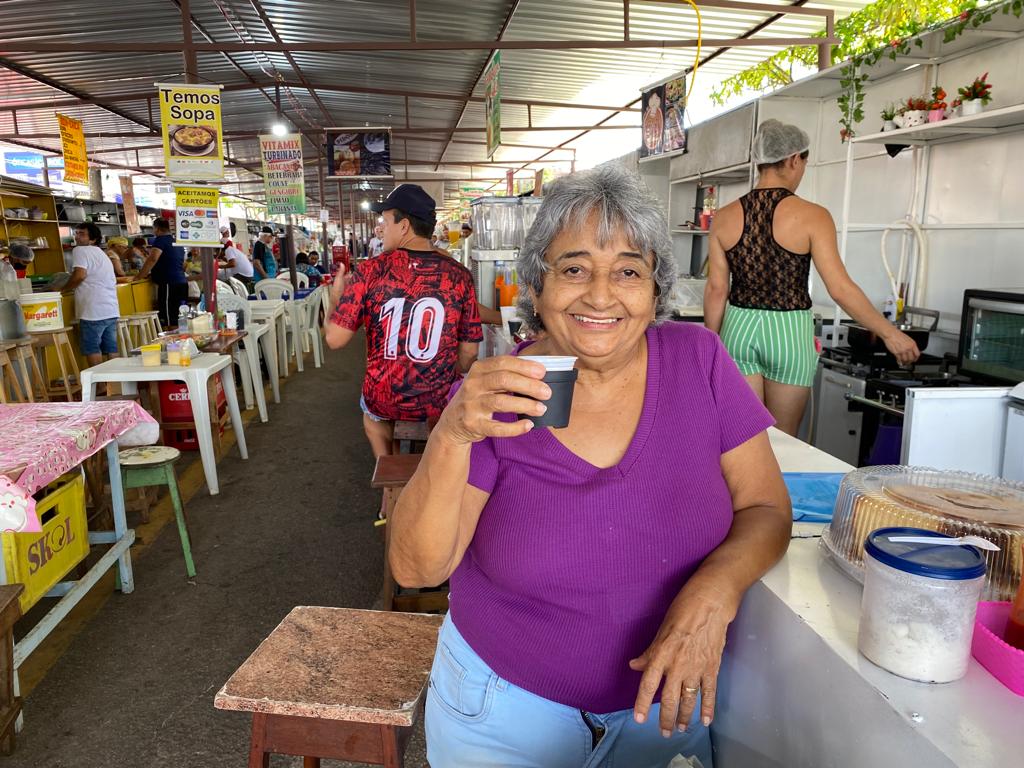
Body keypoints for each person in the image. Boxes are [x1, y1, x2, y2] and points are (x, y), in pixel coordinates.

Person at [388, 166, 791, 768]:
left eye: (629, 271)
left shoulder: (697, 362)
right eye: (574, 269)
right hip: (503, 713)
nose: (601, 296)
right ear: (537, 287)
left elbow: (765, 509)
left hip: (663, 711)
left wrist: (713, 591)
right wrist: (452, 433)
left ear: (656, 289)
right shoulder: (498, 396)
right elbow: (417, 569)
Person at [704, 119, 921, 436]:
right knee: (784, 439)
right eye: (803, 163)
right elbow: (840, 288)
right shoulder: (814, 216)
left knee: (744, 437)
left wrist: (713, 347)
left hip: (738, 328)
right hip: (789, 332)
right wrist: (890, 333)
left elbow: (716, 288)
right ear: (794, 159)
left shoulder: (723, 217)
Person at [325, 183, 483, 459]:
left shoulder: (370, 270)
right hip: (438, 401)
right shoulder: (459, 275)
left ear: (405, 225)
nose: (381, 228)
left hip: (384, 398)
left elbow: (335, 340)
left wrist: (335, 298)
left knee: (373, 417)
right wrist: (439, 372)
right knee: (444, 409)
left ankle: (387, 472)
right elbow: (469, 353)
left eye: (385, 221)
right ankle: (430, 465)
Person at [65, 223, 121, 369]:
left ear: (93, 239)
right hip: (110, 308)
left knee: (92, 347)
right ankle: (115, 385)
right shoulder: (101, 252)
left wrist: (64, 289)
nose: (77, 236)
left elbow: (80, 275)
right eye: (76, 233)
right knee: (111, 348)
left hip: (93, 311)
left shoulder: (80, 250)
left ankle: (101, 386)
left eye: (82, 234)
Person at [138, 217, 188, 328]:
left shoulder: (160, 240)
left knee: (169, 318)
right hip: (181, 283)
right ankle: (184, 341)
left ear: (157, 229)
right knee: (181, 316)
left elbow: (153, 259)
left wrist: (140, 276)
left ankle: (173, 343)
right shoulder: (175, 241)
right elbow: (184, 264)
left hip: (169, 284)